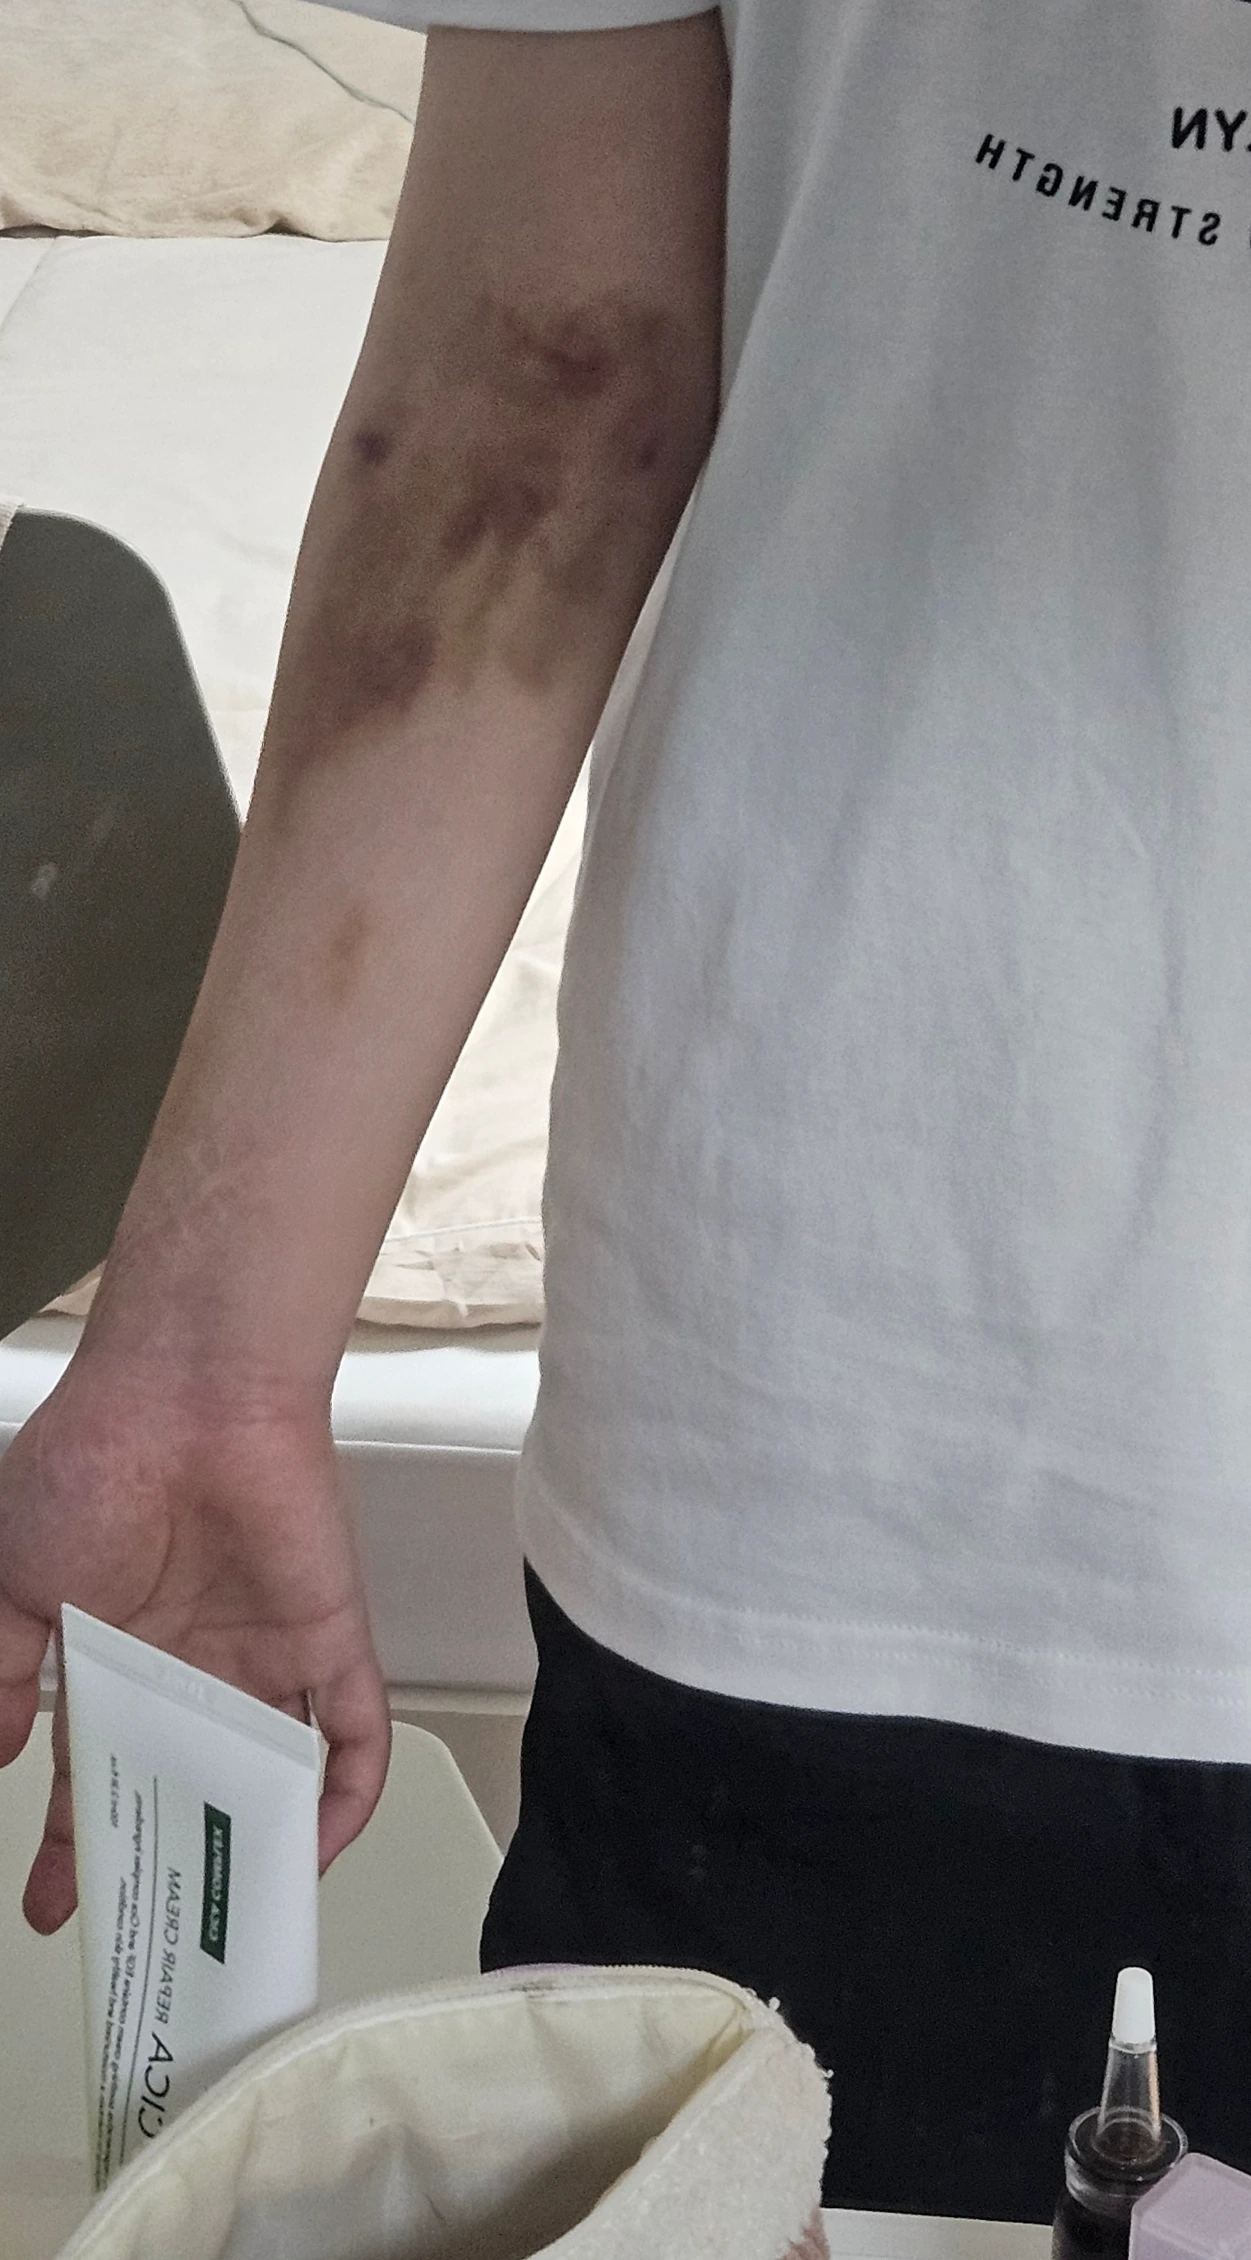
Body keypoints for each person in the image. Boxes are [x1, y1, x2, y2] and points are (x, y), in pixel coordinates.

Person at [6, 0, 1251, 2222]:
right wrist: (202, 1359)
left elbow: (538, 362)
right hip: (846, 1428)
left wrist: (207, 1356)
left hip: (844, 1389)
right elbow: (537, 364)